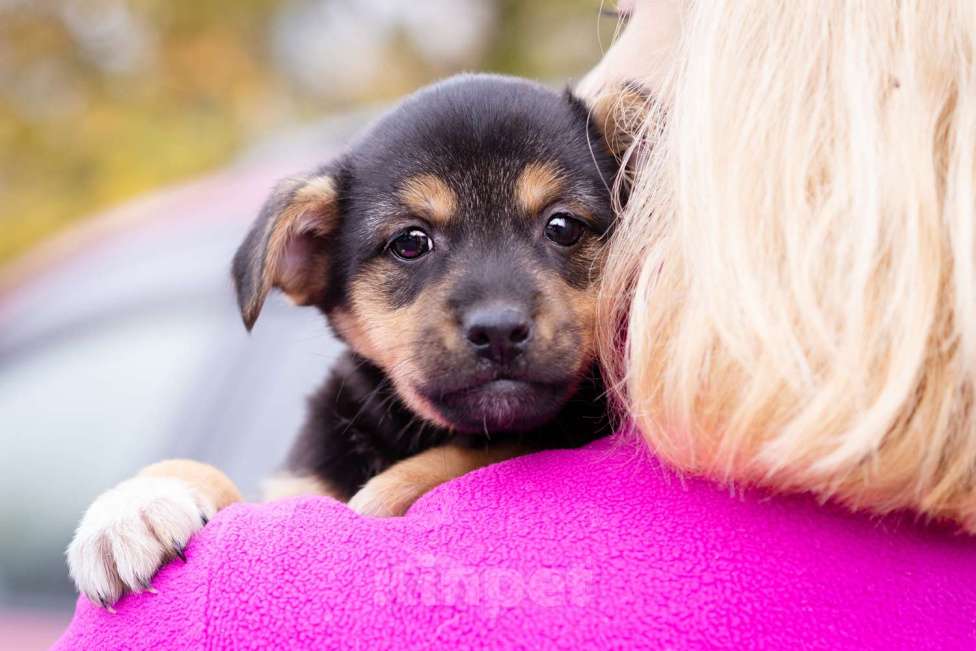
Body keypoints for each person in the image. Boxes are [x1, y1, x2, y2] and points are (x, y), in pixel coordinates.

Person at [55, 2, 976, 648]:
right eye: (412, 243)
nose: (497, 309)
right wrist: (183, 488)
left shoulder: (229, 613)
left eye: (563, 229)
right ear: (306, 266)